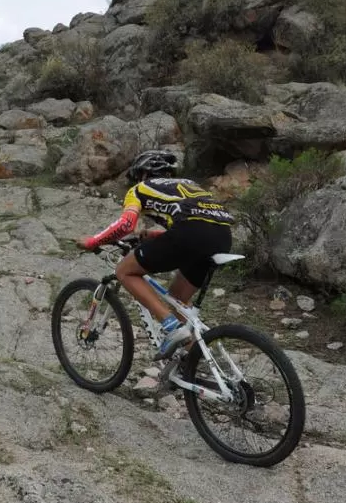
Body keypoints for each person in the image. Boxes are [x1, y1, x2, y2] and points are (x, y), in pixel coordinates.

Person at [76, 150, 236, 360]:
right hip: (223, 236)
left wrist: (93, 241)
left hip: (190, 233)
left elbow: (126, 224)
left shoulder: (140, 188)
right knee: (179, 297)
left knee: (124, 270)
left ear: (142, 175)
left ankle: (170, 326)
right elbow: (199, 220)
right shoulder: (189, 184)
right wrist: (155, 235)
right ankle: (195, 361)